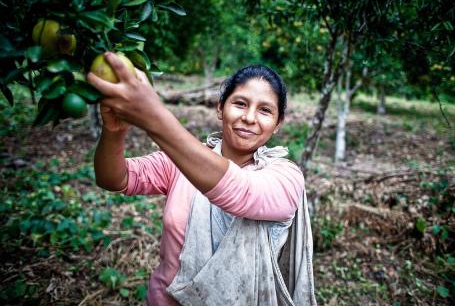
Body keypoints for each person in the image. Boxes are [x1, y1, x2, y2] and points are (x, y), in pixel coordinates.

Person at [88, 52, 316, 306]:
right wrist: (114, 131)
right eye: (240, 103)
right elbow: (114, 178)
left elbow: (240, 192)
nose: (249, 117)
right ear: (220, 108)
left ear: (277, 123)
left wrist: (154, 117)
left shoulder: (285, 177)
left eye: (264, 110)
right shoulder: (181, 160)